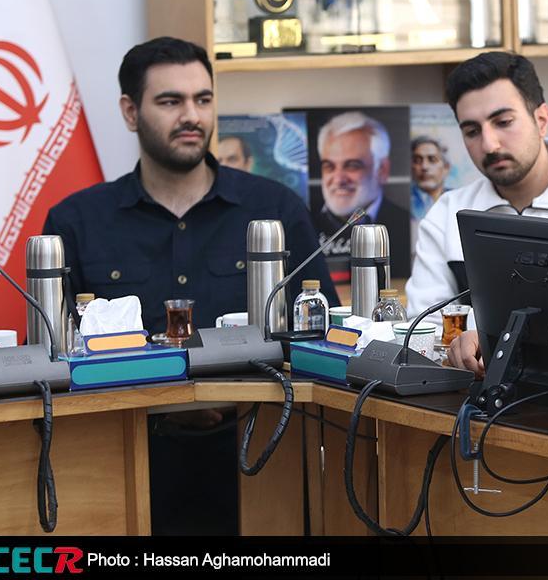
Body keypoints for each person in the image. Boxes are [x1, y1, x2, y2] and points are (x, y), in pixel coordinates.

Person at [42, 37, 338, 536]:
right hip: (122, 462)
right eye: (170, 101)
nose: (191, 116)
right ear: (130, 112)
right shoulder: (75, 221)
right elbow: (53, 361)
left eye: (203, 99)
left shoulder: (275, 209)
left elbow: (323, 337)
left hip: (264, 462)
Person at [409, 53, 548, 375]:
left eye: (503, 122)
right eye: (472, 131)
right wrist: (460, 344)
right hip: (474, 392)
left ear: (541, 120)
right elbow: (422, 330)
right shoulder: (447, 214)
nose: (489, 144)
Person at [313, 111, 411, 279]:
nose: (338, 179)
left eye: (352, 165)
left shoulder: (408, 226)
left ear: (382, 170)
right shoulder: (307, 224)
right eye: (329, 166)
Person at [411, 135, 451, 219]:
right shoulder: (403, 203)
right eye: (417, 161)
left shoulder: (457, 200)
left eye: (432, 160)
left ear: (446, 167)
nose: (424, 167)